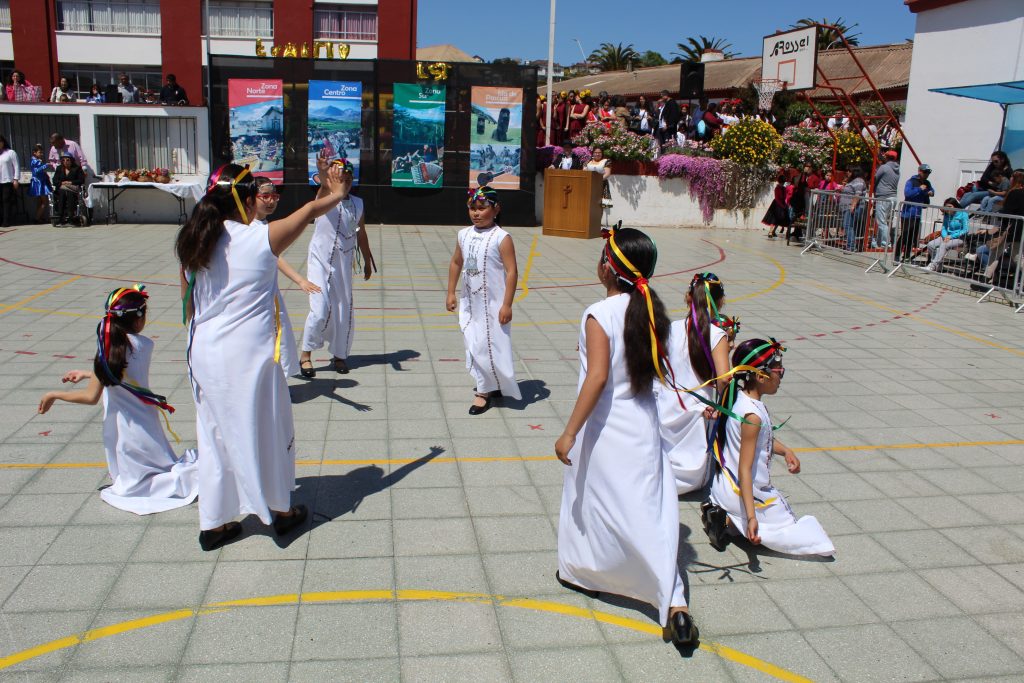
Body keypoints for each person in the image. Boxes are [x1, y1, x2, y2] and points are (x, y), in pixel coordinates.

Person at [176, 160, 346, 550]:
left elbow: (186, 303)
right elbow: (304, 215)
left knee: (214, 435)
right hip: (245, 358)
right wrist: (335, 194)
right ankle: (280, 512)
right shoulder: (255, 239)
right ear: (247, 200)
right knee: (268, 430)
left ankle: (214, 524)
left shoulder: (194, 239)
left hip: (202, 351)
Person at [555, 227, 697, 646]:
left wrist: (568, 433)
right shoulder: (653, 313)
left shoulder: (599, 313)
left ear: (607, 268)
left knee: (596, 502)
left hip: (605, 428)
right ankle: (672, 600)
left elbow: (597, 378)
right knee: (645, 509)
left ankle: (599, 576)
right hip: (642, 425)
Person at [37, 286, 200, 514]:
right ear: (138, 319)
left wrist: (54, 394)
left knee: (133, 482)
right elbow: (123, 374)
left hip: (124, 425)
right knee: (156, 463)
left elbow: (91, 396)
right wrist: (89, 373)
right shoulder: (143, 345)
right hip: (145, 417)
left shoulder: (109, 351)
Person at [701, 339, 834, 557]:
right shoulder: (753, 415)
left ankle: (726, 518)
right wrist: (753, 517)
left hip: (722, 488)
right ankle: (736, 521)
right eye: (779, 371)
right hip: (744, 491)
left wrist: (786, 451)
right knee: (804, 534)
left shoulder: (738, 399)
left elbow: (762, 439)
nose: (781, 377)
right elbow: (745, 469)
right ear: (760, 375)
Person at [446, 186, 522, 414]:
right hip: (471, 302)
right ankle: (487, 385)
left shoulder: (502, 238)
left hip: (493, 304)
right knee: (474, 342)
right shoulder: (464, 234)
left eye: (482, 208)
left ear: (496, 209)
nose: (476, 213)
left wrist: (507, 304)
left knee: (491, 345)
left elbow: (511, 272)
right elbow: (456, 263)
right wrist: (450, 292)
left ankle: (484, 391)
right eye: (472, 208)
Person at [657, 272, 733, 494]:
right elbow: (724, 379)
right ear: (720, 302)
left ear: (687, 297)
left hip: (667, 409)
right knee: (695, 475)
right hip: (699, 416)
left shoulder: (671, 328)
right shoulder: (717, 334)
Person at [299, 158, 376, 378]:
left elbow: (361, 232)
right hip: (320, 264)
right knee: (320, 309)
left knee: (343, 310)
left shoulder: (358, 203)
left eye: (349, 178)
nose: (346, 182)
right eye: (341, 178)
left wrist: (368, 261)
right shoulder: (324, 198)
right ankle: (305, 356)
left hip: (343, 265)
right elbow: (324, 186)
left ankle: (340, 355)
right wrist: (324, 174)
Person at [252, 176, 320, 380]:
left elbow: (275, 258)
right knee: (269, 341)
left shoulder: (262, 225)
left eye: (274, 196)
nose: (271, 201)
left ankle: (274, 384)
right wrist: (300, 280)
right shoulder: (248, 228)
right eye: (265, 196)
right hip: (255, 299)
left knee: (278, 340)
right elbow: (276, 257)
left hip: (268, 295)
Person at [896, 164, 934, 262]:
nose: (927, 174)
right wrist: (919, 189)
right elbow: (907, 193)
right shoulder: (911, 181)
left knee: (911, 236)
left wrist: (931, 192)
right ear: (919, 171)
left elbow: (932, 190)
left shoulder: (927, 182)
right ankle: (896, 255)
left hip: (918, 213)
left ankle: (907, 256)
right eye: (925, 172)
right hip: (907, 213)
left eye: (928, 173)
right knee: (904, 235)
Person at [924, 198, 970, 272]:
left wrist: (951, 236)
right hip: (947, 237)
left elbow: (965, 230)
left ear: (955, 206)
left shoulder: (963, 214)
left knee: (944, 245)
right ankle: (938, 265)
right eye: (946, 207)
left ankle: (932, 265)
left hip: (959, 238)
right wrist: (945, 236)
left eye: (950, 207)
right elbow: (944, 227)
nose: (948, 209)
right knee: (930, 245)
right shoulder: (946, 214)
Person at [873, 150, 901, 249]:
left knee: (881, 222)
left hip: (883, 197)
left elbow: (875, 178)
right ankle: (878, 242)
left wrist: (873, 190)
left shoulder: (884, 167)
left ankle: (886, 243)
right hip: (893, 197)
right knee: (884, 221)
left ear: (887, 157)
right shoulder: (897, 170)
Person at [51, 153, 85, 226]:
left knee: (70, 194)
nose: (65, 162)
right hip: (61, 189)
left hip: (72, 189)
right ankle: (60, 217)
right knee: (62, 193)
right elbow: (55, 180)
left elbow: (81, 180)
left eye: (67, 160)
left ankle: (71, 217)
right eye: (63, 160)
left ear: (71, 161)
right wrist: (62, 183)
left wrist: (71, 182)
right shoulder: (59, 168)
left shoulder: (77, 168)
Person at [839, 166, 867, 252]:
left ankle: (851, 246)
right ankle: (850, 245)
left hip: (850, 207)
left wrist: (853, 205)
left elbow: (857, 194)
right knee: (849, 226)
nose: (848, 173)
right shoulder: (853, 181)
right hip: (847, 207)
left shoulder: (858, 181)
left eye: (849, 171)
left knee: (848, 226)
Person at [28, 144, 52, 223]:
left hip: (39, 182)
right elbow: (36, 171)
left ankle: (39, 218)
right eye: (39, 152)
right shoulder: (35, 161)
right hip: (39, 183)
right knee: (45, 202)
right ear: (34, 152)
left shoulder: (36, 160)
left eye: (42, 152)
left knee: (40, 201)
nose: (41, 154)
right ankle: (37, 218)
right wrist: (45, 165)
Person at [763, 172, 790, 239]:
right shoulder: (777, 189)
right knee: (773, 219)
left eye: (783, 182)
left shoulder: (784, 189)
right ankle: (771, 231)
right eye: (782, 182)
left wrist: (785, 205)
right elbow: (777, 198)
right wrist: (783, 206)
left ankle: (774, 231)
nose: (782, 184)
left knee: (779, 220)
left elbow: (785, 197)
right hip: (776, 205)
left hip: (782, 204)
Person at [0, 135, 19, 228]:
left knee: (6, 201)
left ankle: (6, 221)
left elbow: (16, 166)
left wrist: (16, 179)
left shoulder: (10, 152)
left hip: (7, 180)